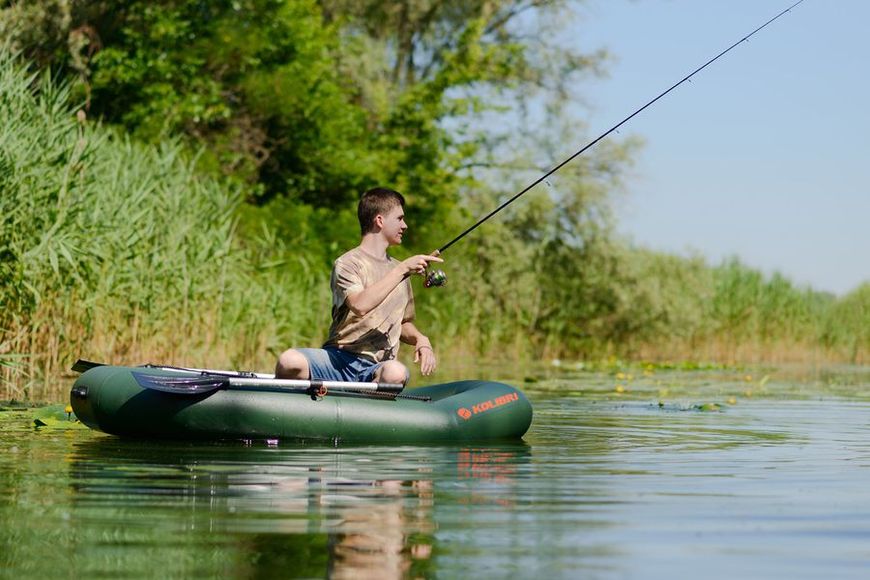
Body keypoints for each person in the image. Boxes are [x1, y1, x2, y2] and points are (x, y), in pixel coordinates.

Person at [275, 187, 443, 385]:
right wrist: (403, 269)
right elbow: (360, 305)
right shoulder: (348, 263)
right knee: (289, 361)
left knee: (395, 373)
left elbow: (402, 323)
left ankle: (358, 408)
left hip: (378, 367)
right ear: (379, 220)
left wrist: (420, 339)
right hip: (338, 360)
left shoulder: (401, 270)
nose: (405, 225)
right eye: (399, 218)